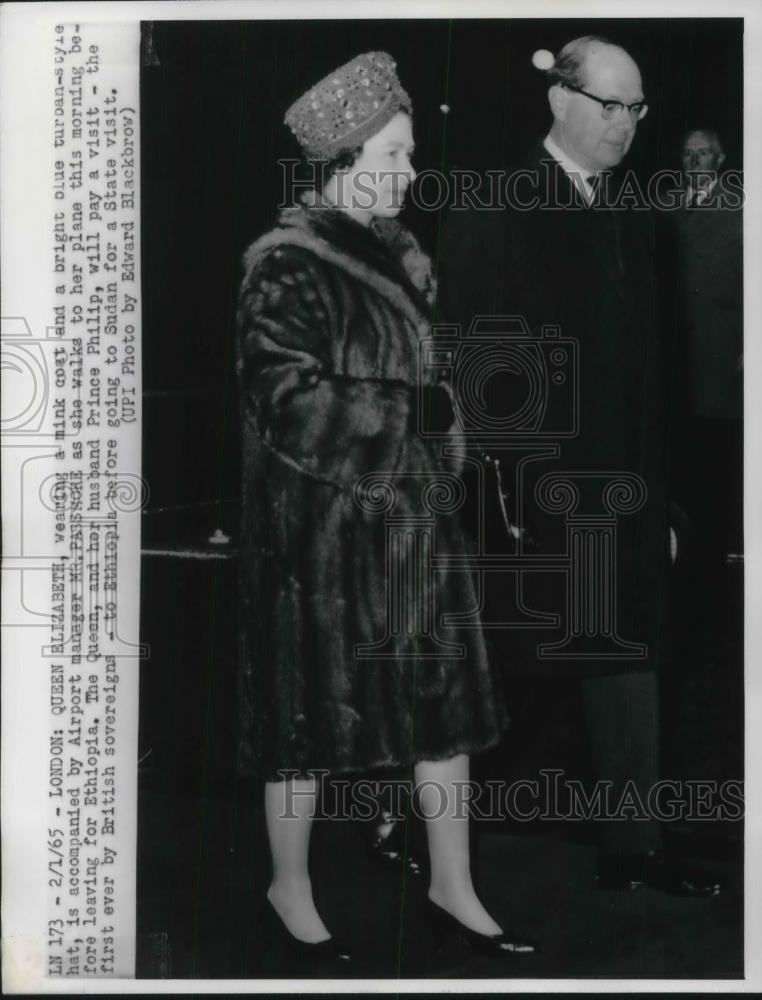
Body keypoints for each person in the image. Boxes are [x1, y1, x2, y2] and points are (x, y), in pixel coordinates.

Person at [236, 51, 534, 967]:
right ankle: (290, 888)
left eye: (408, 154)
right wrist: (413, 417)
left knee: (444, 711)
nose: (410, 171)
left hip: (412, 527)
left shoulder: (407, 260)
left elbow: (430, 388)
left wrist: (448, 435)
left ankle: (454, 885)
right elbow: (285, 401)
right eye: (397, 154)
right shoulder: (282, 264)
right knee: (304, 725)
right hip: (318, 538)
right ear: (346, 159)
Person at [440, 36, 722, 895]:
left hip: (627, 492)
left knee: (628, 665)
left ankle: (633, 851)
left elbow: (656, 374)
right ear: (560, 101)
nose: (627, 125)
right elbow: (479, 368)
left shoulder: (636, 213)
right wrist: (522, 497)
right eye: (611, 106)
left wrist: (665, 502)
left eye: (637, 109)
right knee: (512, 685)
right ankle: (419, 826)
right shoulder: (498, 205)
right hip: (537, 498)